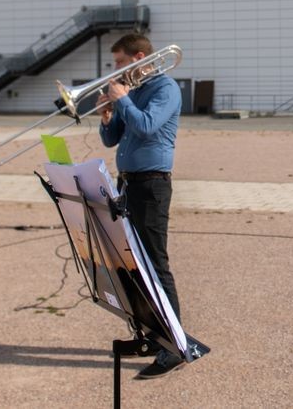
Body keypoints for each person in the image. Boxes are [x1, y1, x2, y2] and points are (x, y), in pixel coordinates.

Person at [97, 33, 190, 380]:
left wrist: (121, 99)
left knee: (156, 263)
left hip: (152, 184)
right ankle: (154, 333)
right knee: (137, 265)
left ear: (139, 57)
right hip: (129, 183)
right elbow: (112, 138)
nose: (115, 70)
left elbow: (148, 127)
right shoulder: (134, 92)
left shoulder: (166, 88)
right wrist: (107, 114)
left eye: (120, 62)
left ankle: (174, 344)